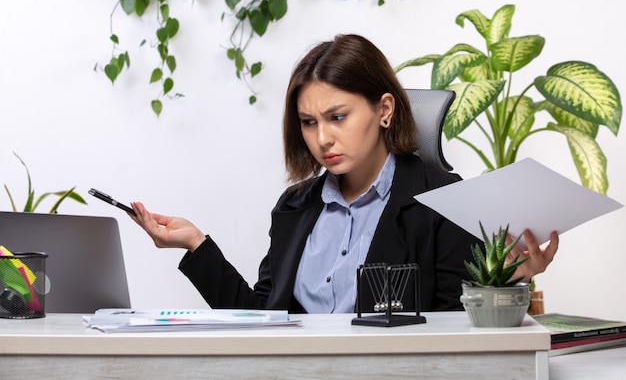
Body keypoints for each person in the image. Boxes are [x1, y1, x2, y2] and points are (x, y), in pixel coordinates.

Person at [129, 34, 559, 313]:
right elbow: (262, 319)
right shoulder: (295, 206)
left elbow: (456, 326)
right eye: (309, 122)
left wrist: (508, 281)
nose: (322, 139)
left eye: (337, 117)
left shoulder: (441, 200)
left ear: (384, 110)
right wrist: (196, 244)